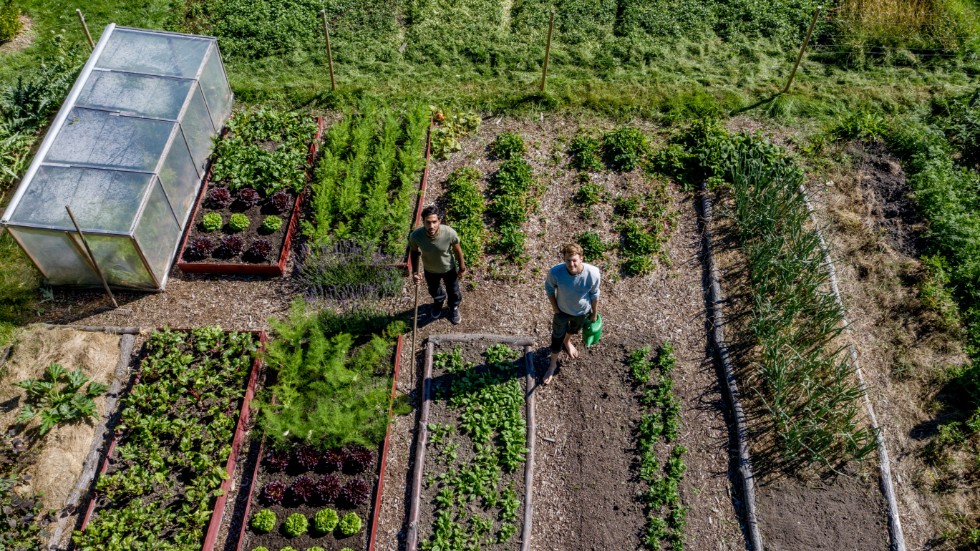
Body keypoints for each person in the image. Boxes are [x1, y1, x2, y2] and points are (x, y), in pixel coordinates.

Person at [543, 242, 600, 385]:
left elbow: (594, 294)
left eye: (574, 260)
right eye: (568, 260)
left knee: (574, 329)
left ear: (581, 258)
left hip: (582, 312)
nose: (571, 264)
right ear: (564, 259)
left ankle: (567, 341)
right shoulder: (556, 272)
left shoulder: (593, 273)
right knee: (556, 337)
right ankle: (552, 365)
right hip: (561, 311)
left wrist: (594, 313)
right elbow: (549, 289)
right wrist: (556, 309)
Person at [409, 205, 467, 325]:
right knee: (434, 290)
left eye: (434, 222)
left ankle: (453, 307)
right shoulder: (416, 236)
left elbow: (457, 250)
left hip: (448, 268)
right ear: (423, 222)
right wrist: (415, 272)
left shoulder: (449, 233)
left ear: (439, 221)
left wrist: (462, 268)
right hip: (430, 269)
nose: (431, 226)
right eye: (428, 222)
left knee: (453, 290)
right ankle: (438, 302)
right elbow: (414, 252)